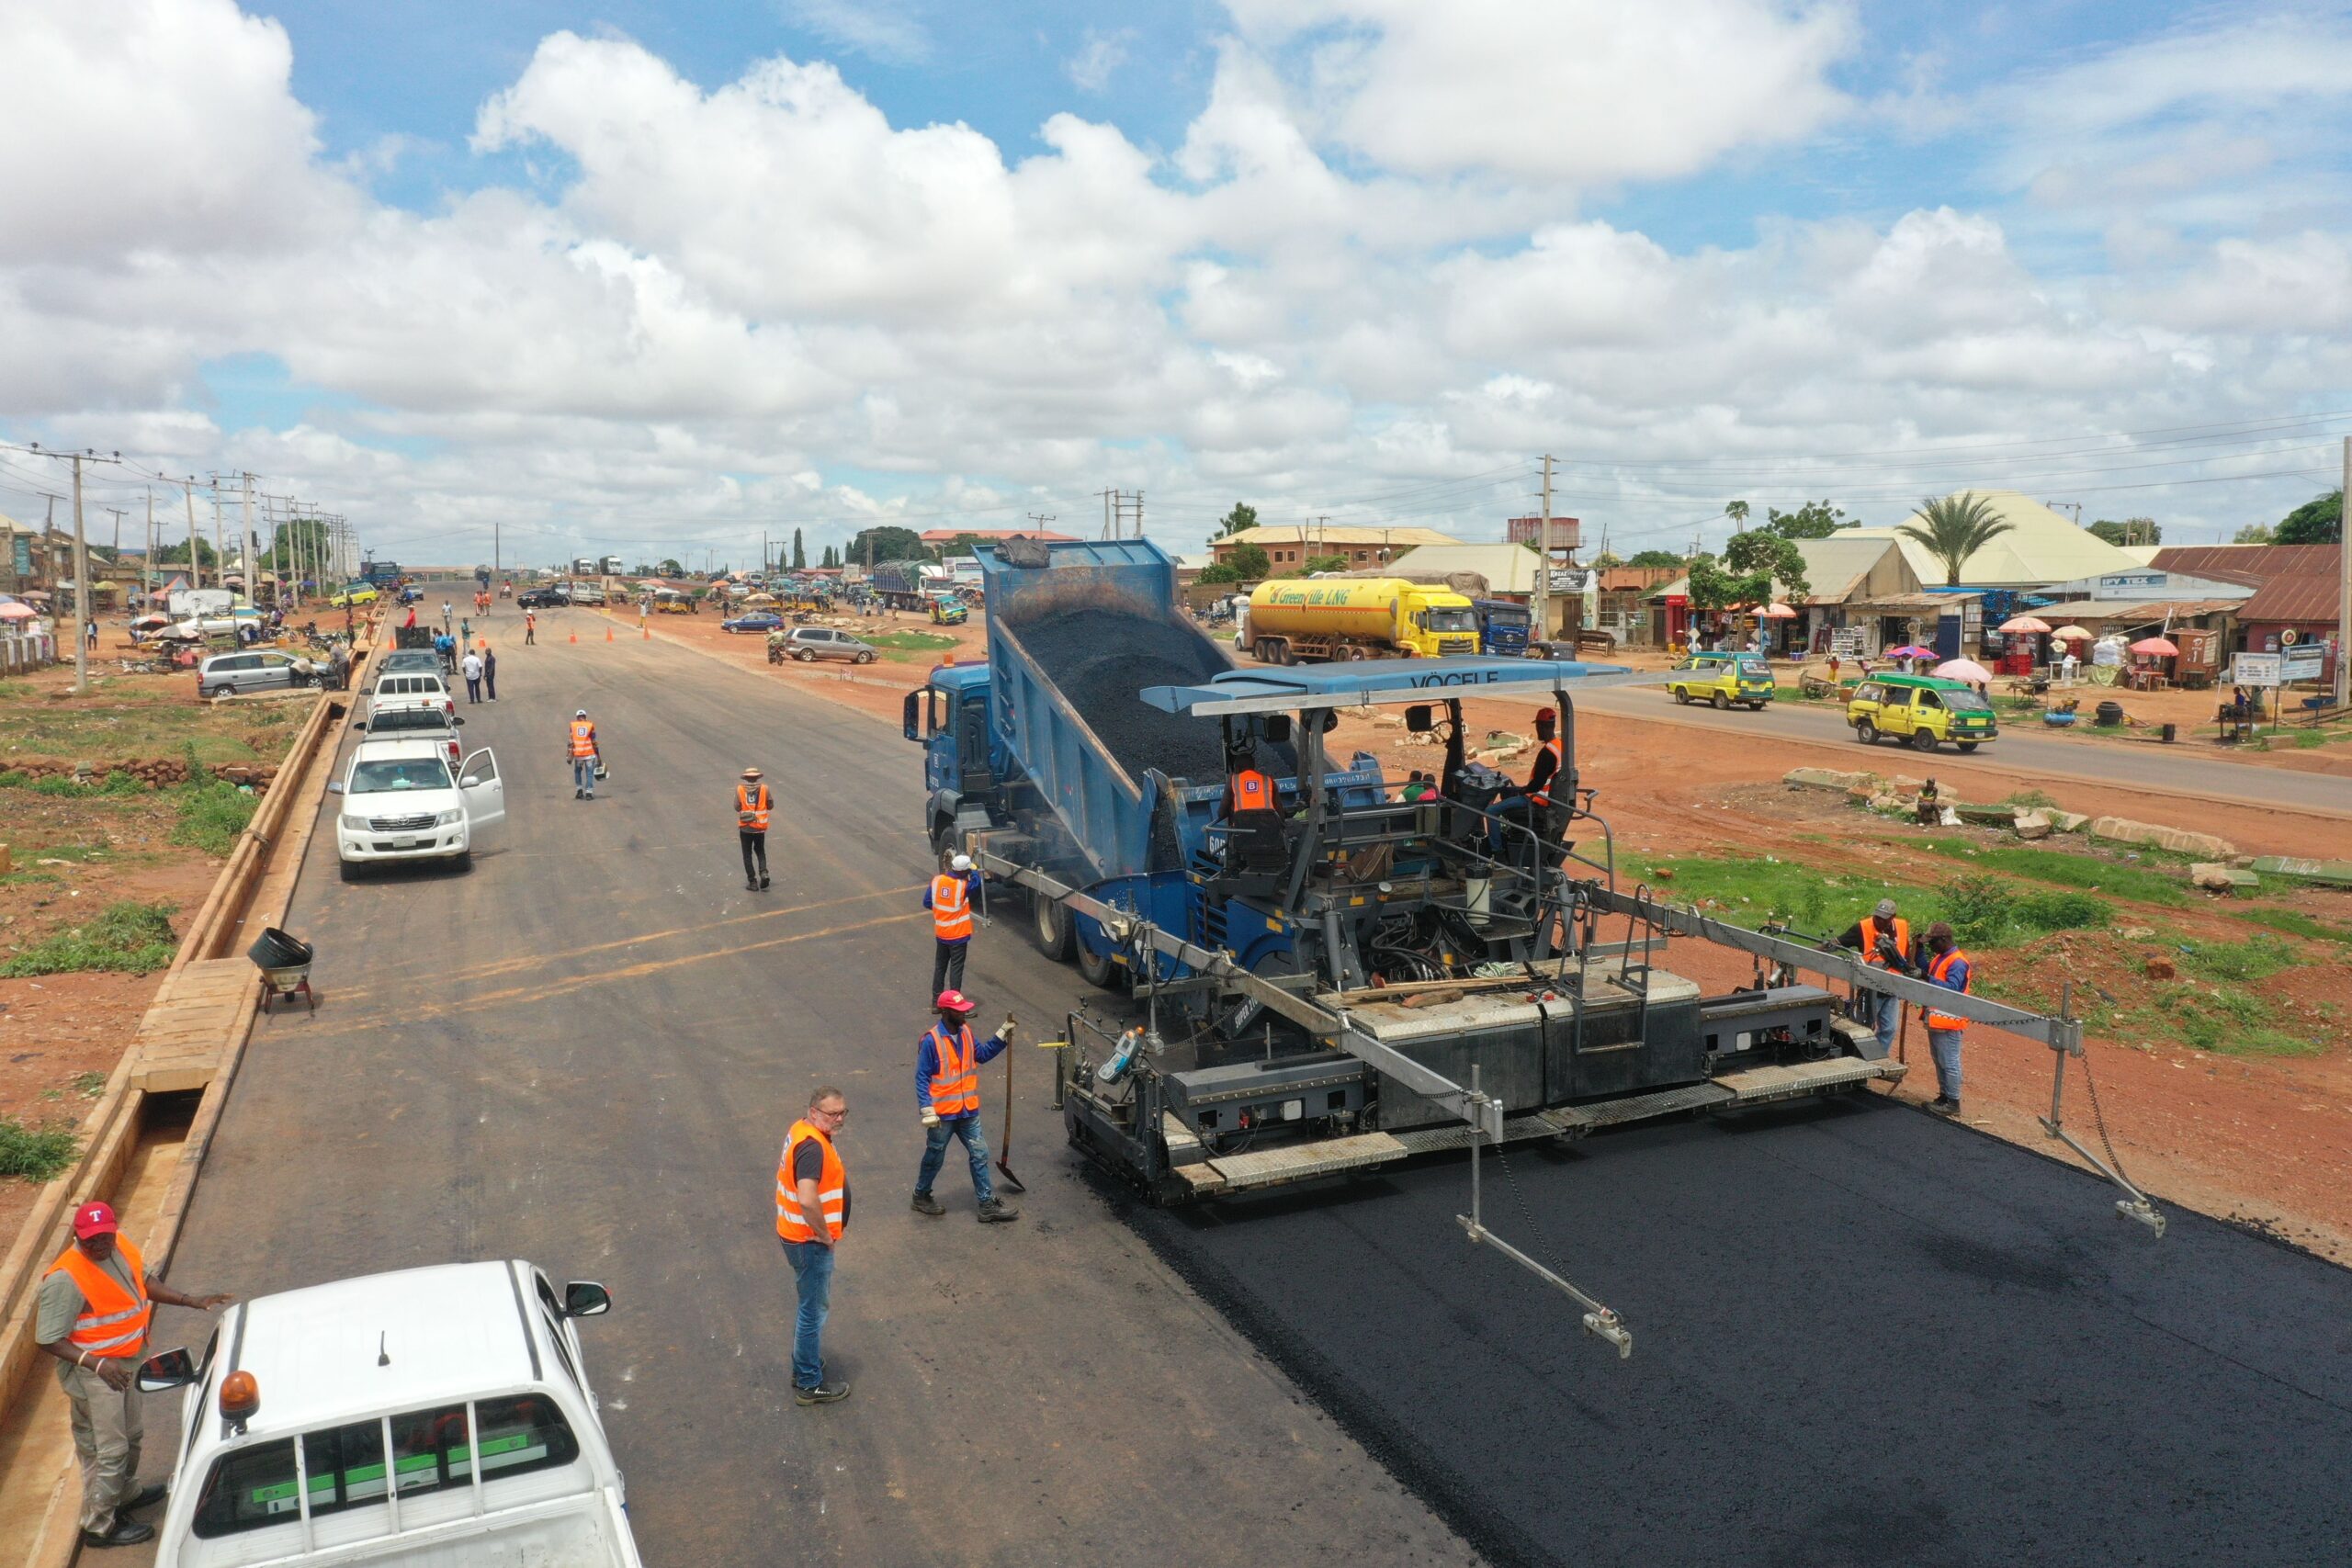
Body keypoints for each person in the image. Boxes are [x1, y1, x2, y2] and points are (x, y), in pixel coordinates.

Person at [37, 1201, 233, 1550]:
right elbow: (48, 1338)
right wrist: (97, 1365)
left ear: (114, 1232)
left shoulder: (121, 1244)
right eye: (89, 1241)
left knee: (133, 1435)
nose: (98, 1246)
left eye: (104, 1238)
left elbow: (144, 1282)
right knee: (107, 1450)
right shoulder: (65, 1279)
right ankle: (99, 1526)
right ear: (77, 1238)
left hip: (123, 1365)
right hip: (95, 1374)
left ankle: (125, 1494)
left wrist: (191, 1300)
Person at [911, 991, 1019, 1223]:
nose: (964, 1013)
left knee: (980, 1153)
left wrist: (1001, 1035)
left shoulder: (966, 1032)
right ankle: (921, 1195)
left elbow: (981, 1054)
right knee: (935, 1155)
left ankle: (986, 1204)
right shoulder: (931, 1041)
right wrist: (926, 1109)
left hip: (968, 1111)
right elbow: (921, 1078)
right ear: (946, 1012)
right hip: (943, 1115)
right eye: (959, 1011)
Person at [775, 1086, 852, 1406]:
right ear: (813, 1112)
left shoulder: (802, 1130)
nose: (838, 1119)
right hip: (809, 1241)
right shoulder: (812, 1148)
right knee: (813, 1311)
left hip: (795, 1235)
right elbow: (807, 1199)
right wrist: (824, 1235)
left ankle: (803, 1363)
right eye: (832, 1114)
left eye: (842, 1113)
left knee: (809, 1306)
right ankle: (808, 1382)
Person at [1836, 898, 1913, 1055]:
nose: (1878, 921)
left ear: (1892, 917)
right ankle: (1858, 1059)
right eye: (1877, 916)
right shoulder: (1862, 927)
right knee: (1865, 1028)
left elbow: (1908, 953)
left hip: (1892, 988)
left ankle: (1877, 1058)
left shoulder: (1902, 926)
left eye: (1883, 919)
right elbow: (1838, 942)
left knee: (1889, 1029)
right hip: (1869, 988)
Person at [1920, 921, 1971, 1116]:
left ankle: (1953, 1102)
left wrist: (1925, 977)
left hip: (1950, 1020)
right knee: (1940, 1060)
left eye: (1932, 943)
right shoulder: (1941, 958)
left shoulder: (1957, 962)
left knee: (1950, 1062)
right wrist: (1919, 950)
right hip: (1937, 1018)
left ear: (1943, 940)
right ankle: (1944, 1096)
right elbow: (1927, 970)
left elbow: (1952, 989)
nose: (1931, 947)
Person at [926, 852, 982, 997]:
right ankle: (954, 1005)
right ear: (964, 872)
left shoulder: (937, 881)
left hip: (941, 933)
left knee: (940, 967)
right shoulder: (963, 887)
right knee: (956, 969)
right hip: (957, 936)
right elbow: (976, 884)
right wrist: (975, 871)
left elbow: (927, 902)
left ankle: (936, 1001)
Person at [736, 766, 773, 890]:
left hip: (745, 827)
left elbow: (737, 807)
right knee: (760, 851)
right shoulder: (765, 789)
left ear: (746, 778)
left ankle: (752, 882)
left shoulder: (740, 789)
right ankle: (764, 873)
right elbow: (770, 805)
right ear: (757, 777)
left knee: (747, 854)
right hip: (759, 826)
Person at [568, 708, 599, 799]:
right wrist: (599, 756)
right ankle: (589, 794)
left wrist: (569, 754)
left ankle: (579, 792)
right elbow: (594, 741)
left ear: (577, 717)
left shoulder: (573, 725)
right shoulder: (590, 725)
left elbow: (570, 741)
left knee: (577, 772)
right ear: (585, 717)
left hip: (578, 755)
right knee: (589, 773)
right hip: (589, 754)